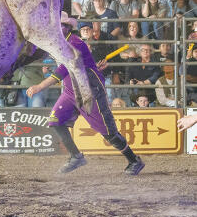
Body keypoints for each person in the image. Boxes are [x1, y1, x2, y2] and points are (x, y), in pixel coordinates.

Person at [26, 12, 145, 175]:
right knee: (55, 120)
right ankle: (76, 156)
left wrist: (40, 86)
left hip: (89, 90)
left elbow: (63, 69)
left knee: (107, 132)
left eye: (60, 25)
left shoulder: (75, 43)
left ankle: (134, 160)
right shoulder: (59, 43)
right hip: (71, 89)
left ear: (67, 27)